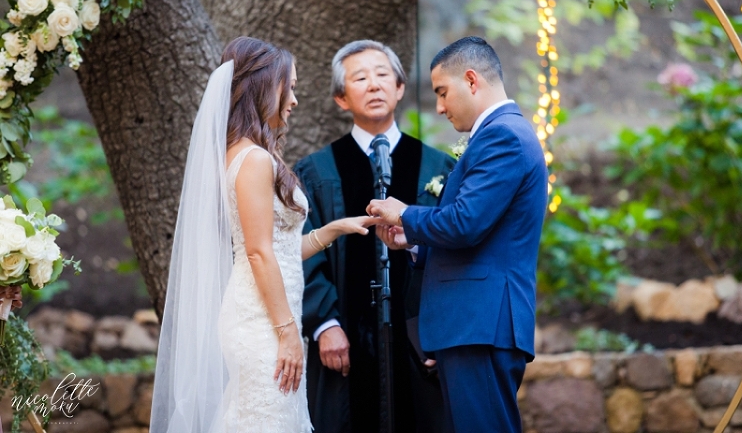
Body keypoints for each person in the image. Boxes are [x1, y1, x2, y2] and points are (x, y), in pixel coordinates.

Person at [150, 37, 379, 433]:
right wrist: (288, 332)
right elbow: (257, 253)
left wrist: (333, 230)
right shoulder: (253, 159)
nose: (293, 99)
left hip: (269, 318)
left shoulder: (247, 152)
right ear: (263, 88)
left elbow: (281, 250)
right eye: (288, 87)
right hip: (262, 322)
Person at [367, 36, 548, 433]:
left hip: (481, 325)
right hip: (471, 325)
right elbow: (478, 231)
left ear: (471, 80)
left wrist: (405, 213)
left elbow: (466, 223)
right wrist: (411, 240)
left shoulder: (503, 137)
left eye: (442, 92)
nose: (439, 107)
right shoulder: (498, 135)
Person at [294, 40, 455, 433]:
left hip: (421, 344)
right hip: (343, 343)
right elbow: (301, 251)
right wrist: (324, 325)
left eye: (383, 75)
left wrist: (443, 330)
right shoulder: (316, 171)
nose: (374, 85)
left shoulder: (439, 167)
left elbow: (454, 254)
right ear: (340, 98)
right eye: (360, 78)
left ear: (400, 88)